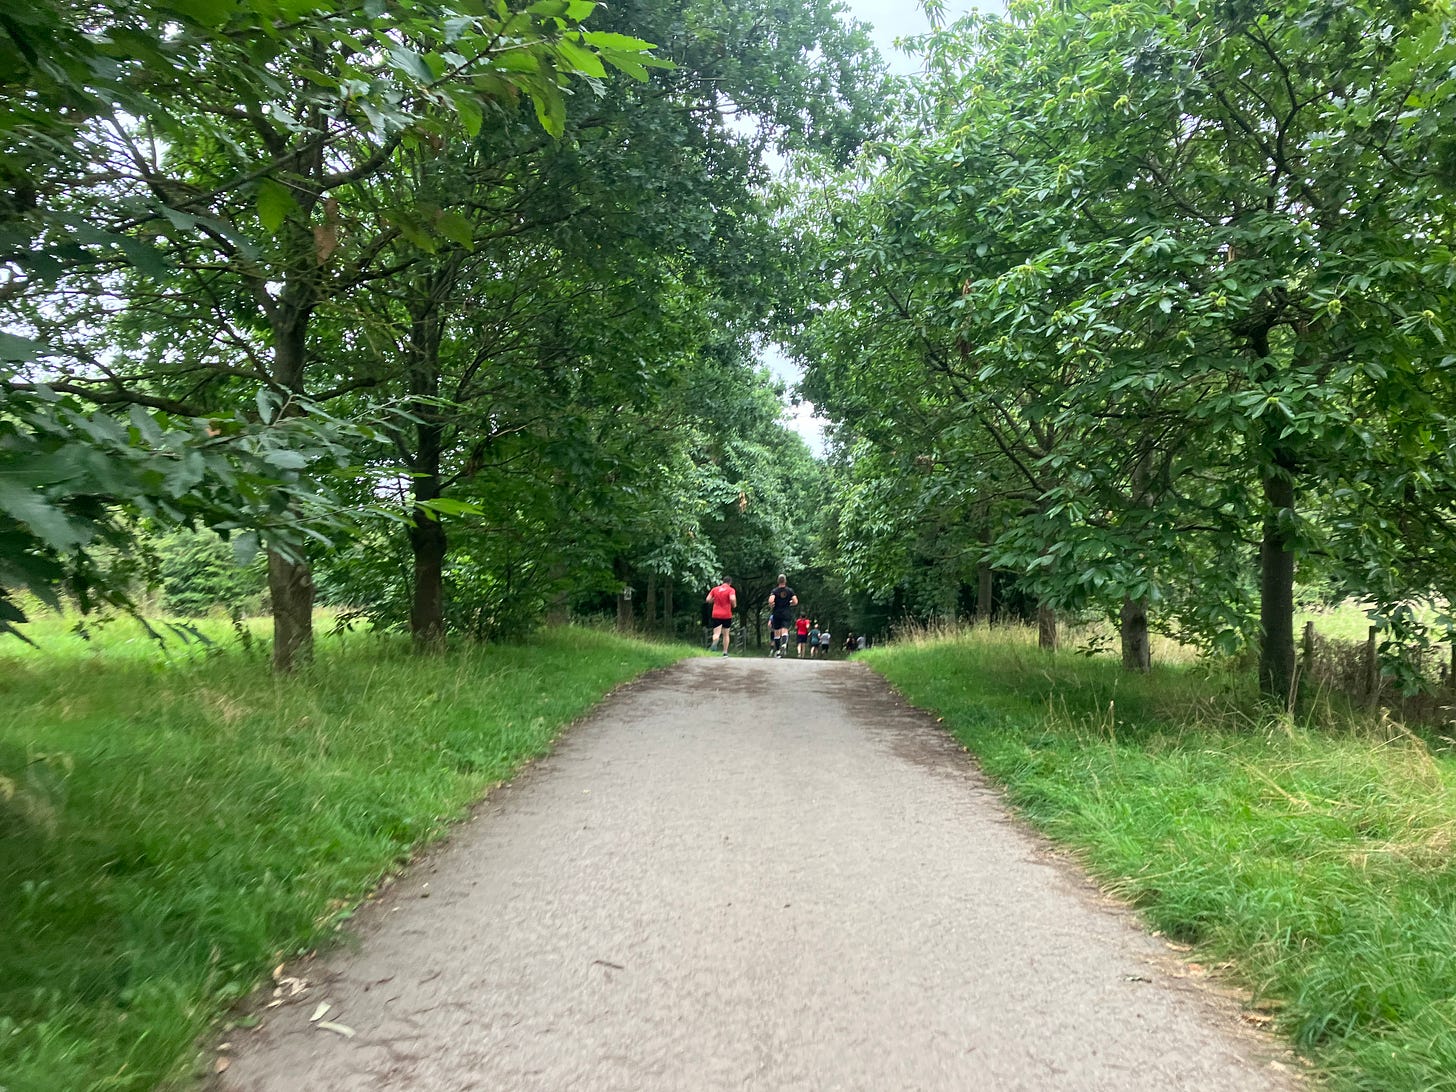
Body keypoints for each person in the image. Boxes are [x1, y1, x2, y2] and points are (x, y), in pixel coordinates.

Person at [766, 575, 798, 658]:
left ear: (778, 581)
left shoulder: (775, 591)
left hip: (776, 613)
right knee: (785, 630)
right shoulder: (790, 591)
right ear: (785, 581)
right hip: (786, 612)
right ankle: (784, 644)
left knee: (776, 633)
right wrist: (789, 603)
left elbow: (771, 600)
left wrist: (772, 604)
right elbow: (795, 601)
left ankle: (778, 652)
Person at [705, 576, 736, 657]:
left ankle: (715, 642)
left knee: (716, 633)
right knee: (726, 634)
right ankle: (725, 652)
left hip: (716, 614)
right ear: (730, 583)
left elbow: (708, 599)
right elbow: (732, 599)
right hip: (726, 615)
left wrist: (714, 600)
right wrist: (734, 605)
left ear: (722, 581)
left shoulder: (715, 589)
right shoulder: (731, 590)